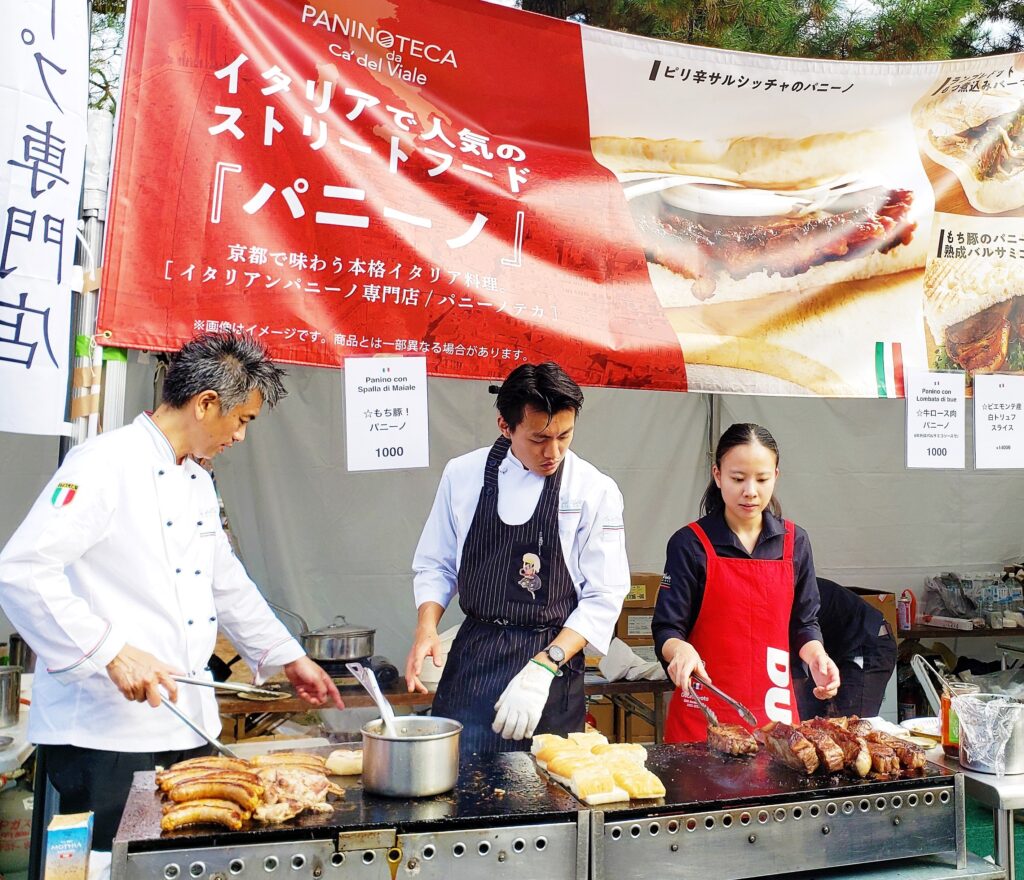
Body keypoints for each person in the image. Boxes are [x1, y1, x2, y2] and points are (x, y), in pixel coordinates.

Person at [0, 333, 343, 849]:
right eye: (243, 420)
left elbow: (226, 584)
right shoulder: (103, 464)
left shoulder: (198, 483)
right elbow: (22, 570)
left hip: (184, 726)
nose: (241, 436)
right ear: (207, 405)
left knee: (180, 864)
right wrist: (111, 652)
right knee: (116, 865)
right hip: (105, 732)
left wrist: (285, 657)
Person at [404, 362, 630, 754]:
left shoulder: (593, 489)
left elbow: (604, 596)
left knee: (544, 795)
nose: (554, 451)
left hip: (552, 660)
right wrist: (426, 626)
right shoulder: (463, 475)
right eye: (539, 438)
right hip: (475, 655)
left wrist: (545, 666)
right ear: (505, 427)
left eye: (565, 435)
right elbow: (436, 563)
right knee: (462, 789)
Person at [651, 423, 840, 742]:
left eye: (762, 479)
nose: (750, 491)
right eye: (738, 478)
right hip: (704, 717)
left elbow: (804, 623)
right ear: (718, 475)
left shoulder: (795, 543)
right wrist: (679, 649)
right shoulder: (690, 544)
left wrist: (816, 655)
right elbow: (667, 627)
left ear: (776, 476)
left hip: (775, 714)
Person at [792, 578, 897, 720]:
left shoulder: (791, 585)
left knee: (851, 726)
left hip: (867, 642)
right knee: (811, 721)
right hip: (831, 648)